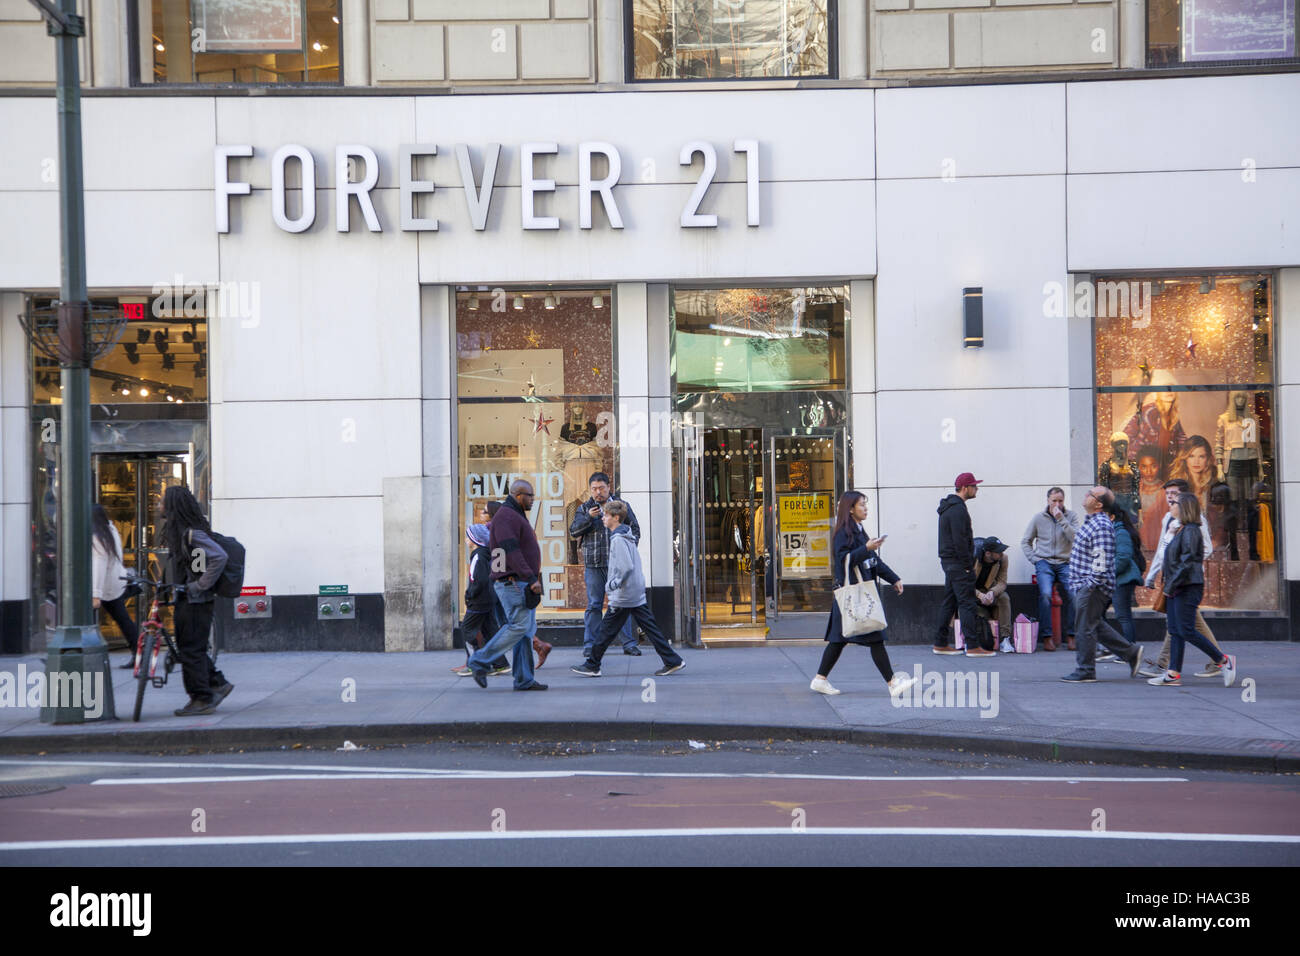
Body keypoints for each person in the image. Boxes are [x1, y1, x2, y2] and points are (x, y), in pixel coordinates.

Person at [809, 492, 917, 697]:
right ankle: (893, 683)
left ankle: (819, 679)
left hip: (854, 595)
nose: (865, 508)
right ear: (850, 509)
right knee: (875, 637)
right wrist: (865, 548)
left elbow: (874, 561)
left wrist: (894, 578)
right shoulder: (843, 532)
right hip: (853, 594)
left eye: (866, 505)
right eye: (862, 505)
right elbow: (842, 561)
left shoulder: (858, 531)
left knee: (838, 640)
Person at [570, 499, 685, 678]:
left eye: (606, 515)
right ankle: (672, 660)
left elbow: (626, 567)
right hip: (633, 591)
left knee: (605, 631)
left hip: (624, 594)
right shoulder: (627, 535)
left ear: (616, 518)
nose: (603, 518)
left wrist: (612, 584)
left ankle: (592, 664)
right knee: (648, 628)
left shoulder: (618, 539)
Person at [1148, 494, 1237, 688]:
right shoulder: (1180, 530)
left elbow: (1187, 562)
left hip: (1186, 587)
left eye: (1175, 503)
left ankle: (1223, 660)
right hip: (1176, 585)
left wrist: (1171, 586)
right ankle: (1173, 673)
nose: (1171, 505)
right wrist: (1170, 534)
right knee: (1174, 630)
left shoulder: (1191, 531)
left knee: (1186, 630)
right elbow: (1167, 556)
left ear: (1185, 507)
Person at [160, 486, 234, 716]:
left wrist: (201, 585)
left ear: (173, 505)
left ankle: (201, 698)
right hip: (190, 599)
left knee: (190, 650)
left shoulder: (192, 533)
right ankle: (216, 683)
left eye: (163, 501)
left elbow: (219, 557)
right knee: (192, 648)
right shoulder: (182, 532)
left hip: (195, 601)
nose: (159, 504)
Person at [466, 481, 547, 690]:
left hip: (518, 582)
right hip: (513, 583)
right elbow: (510, 550)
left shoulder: (513, 515)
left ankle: (524, 679)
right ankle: (480, 660)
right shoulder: (506, 516)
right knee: (518, 626)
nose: (532, 499)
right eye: (530, 495)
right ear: (519, 495)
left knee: (525, 632)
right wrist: (530, 578)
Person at [1059, 486, 1143, 683]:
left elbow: (1102, 559)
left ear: (1098, 504)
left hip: (1092, 587)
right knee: (1094, 625)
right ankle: (1131, 653)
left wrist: (1090, 585)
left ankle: (1086, 670)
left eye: (1091, 493)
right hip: (1084, 586)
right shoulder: (1092, 523)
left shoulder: (1101, 526)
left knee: (1084, 628)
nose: (1086, 494)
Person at [569, 472, 641, 657]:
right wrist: (588, 518)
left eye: (601, 488)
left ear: (609, 487)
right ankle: (590, 645)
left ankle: (629, 644)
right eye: (594, 489)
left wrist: (628, 552)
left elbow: (635, 529)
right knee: (594, 604)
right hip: (593, 563)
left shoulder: (621, 507)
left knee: (620, 604)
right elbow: (574, 532)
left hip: (617, 565)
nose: (598, 492)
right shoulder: (584, 508)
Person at [931, 472, 994, 657]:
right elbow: (960, 540)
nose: (977, 489)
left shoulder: (948, 508)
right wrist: (968, 565)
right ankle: (973, 646)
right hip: (959, 564)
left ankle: (940, 643)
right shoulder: (958, 510)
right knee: (967, 603)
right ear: (965, 488)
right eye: (974, 486)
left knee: (949, 602)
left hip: (949, 562)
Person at [1020, 487, 1081, 651]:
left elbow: (1076, 539)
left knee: (1074, 594)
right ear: (1048, 500)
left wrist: (1062, 519)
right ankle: (1047, 637)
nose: (1057, 504)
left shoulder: (1071, 516)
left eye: (1060, 500)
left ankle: (1072, 636)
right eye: (1054, 500)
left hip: (1065, 563)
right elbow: (1025, 541)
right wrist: (1035, 560)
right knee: (1045, 594)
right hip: (1044, 562)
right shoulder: (1038, 518)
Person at [451, 523, 511, 678]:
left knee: (467, 629)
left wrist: (470, 595)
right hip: (489, 599)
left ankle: (475, 664)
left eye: (467, 536)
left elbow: (478, 579)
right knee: (490, 631)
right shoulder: (487, 553)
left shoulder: (478, 555)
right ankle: (500, 664)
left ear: (474, 539)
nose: (465, 540)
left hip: (478, 601)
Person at [91, 503, 139, 670]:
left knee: (83, 621)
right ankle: (138, 652)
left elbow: (99, 564)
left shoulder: (98, 537)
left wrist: (96, 594)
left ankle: (80, 654)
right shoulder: (110, 530)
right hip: (115, 583)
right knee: (123, 620)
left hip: (105, 587)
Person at [1108, 501, 1146, 659]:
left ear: (1111, 517)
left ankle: (1129, 650)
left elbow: (1123, 557)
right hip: (1119, 579)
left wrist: (1109, 573)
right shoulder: (1117, 530)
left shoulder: (1121, 532)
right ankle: (1122, 648)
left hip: (1123, 580)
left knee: (1123, 615)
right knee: (1118, 615)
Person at [972, 536, 1012, 653]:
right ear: (988, 553)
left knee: (1004, 597)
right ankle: (973, 641)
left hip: (989, 591)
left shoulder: (1003, 559)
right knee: (980, 613)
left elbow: (1002, 582)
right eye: (999, 551)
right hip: (973, 593)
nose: (1002, 553)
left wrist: (992, 592)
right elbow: (964, 584)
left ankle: (1005, 639)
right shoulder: (972, 558)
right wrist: (980, 595)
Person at [1170, 435, 1219, 510]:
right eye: (1191, 456)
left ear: (1208, 459)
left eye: (1201, 456)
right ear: (1185, 458)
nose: (1196, 462)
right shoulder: (1175, 486)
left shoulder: (1214, 485)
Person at [1136, 445, 1166, 553]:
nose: (1149, 471)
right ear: (1138, 467)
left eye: (1153, 466)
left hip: (1159, 542)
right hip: (1139, 543)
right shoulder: (1135, 490)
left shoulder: (1165, 490)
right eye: (1144, 467)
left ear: (1159, 465)